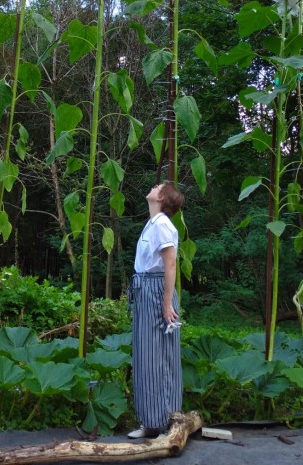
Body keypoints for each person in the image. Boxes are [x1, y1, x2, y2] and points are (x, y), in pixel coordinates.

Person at [127, 181, 185, 439]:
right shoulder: (153, 223)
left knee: (160, 358)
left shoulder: (162, 224)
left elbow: (170, 265)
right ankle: (150, 422)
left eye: (158, 186)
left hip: (157, 291)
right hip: (145, 290)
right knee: (146, 357)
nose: (152, 186)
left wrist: (166, 303)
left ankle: (168, 423)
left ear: (162, 197)